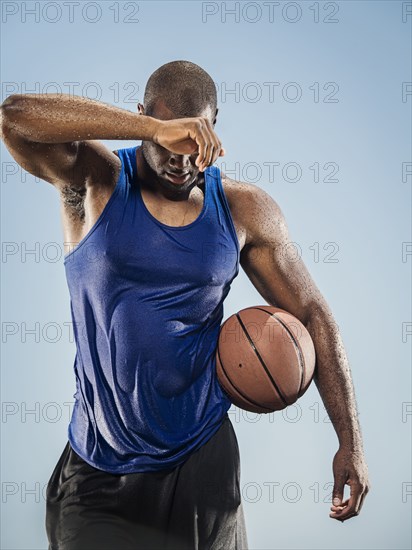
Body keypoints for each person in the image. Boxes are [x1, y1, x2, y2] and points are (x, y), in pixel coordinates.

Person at [1, 60, 370, 550]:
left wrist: (350, 440)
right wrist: (154, 130)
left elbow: (313, 312)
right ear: (143, 118)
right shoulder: (96, 182)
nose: (181, 158)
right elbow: (13, 117)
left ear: (213, 128)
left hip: (201, 459)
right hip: (98, 467)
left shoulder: (243, 210)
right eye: (169, 141)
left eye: (195, 141)